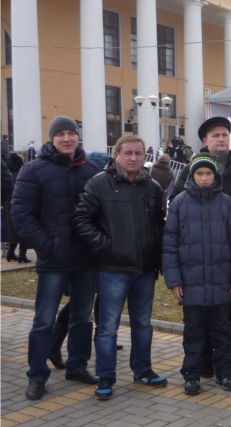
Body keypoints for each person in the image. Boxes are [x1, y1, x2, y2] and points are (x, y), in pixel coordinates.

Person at [12, 116, 101, 400]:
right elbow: (21, 215)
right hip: (53, 259)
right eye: (60, 134)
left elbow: (102, 213)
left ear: (78, 137)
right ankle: (37, 375)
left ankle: (77, 365)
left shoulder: (92, 169)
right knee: (43, 320)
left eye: (71, 134)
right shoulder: (33, 170)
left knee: (82, 318)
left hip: (86, 259)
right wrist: (47, 247)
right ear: (52, 138)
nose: (66, 139)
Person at [73, 135, 168, 400]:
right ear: (116, 155)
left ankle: (143, 369)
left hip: (144, 270)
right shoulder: (99, 184)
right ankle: (105, 376)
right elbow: (81, 218)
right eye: (128, 153)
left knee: (143, 324)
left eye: (138, 153)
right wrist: (105, 245)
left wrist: (158, 259)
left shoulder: (153, 187)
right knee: (107, 328)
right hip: (112, 269)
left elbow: (160, 225)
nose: (134, 158)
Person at [171, 117, 231, 374]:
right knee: (203, 309)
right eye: (215, 135)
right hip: (198, 254)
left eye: (225, 134)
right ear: (205, 141)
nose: (221, 139)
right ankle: (206, 359)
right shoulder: (191, 168)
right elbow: (176, 199)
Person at [163, 155, 231, 395]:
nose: (204, 178)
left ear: (215, 176)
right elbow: (170, 245)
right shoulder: (179, 203)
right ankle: (191, 375)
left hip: (221, 281)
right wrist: (174, 281)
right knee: (193, 332)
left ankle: (225, 372)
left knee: (222, 331)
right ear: (192, 176)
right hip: (191, 283)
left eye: (208, 174)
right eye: (199, 174)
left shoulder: (225, 202)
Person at [3, 153, 30, 263]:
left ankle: (10, 253)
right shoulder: (23, 173)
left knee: (11, 230)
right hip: (20, 205)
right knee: (23, 229)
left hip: (6, 205)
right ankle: (22, 255)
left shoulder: (6, 174)